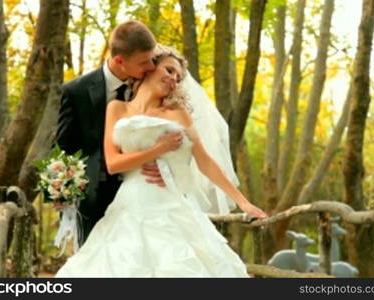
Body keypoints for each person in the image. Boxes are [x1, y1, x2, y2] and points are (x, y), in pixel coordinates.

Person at [55, 47, 267, 277]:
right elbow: (114, 163)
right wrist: (160, 148)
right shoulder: (116, 108)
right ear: (149, 67)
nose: (174, 79)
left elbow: (205, 162)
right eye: (169, 70)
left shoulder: (177, 112)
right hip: (129, 204)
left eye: (178, 77)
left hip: (170, 203)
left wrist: (244, 203)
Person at [56, 21, 180, 245]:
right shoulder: (76, 92)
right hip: (93, 195)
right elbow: (65, 146)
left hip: (142, 193)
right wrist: (63, 191)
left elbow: (174, 132)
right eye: (144, 62)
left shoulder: (152, 82)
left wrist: (169, 169)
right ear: (120, 61)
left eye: (152, 59)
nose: (151, 66)